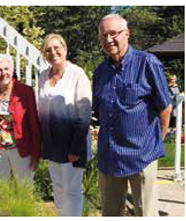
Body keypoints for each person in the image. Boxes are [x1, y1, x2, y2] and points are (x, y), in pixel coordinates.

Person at [92, 14, 172, 216]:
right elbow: (96, 110)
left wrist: (156, 142)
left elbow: (165, 107)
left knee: (146, 214)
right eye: (104, 35)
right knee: (110, 214)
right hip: (109, 157)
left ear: (126, 34)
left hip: (142, 156)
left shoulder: (147, 63)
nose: (109, 39)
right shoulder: (99, 72)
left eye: (113, 34)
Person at [38, 33, 92, 216]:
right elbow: (42, 111)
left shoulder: (77, 74)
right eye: (48, 50)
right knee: (59, 190)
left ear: (65, 49)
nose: (53, 53)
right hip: (52, 145)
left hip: (72, 146)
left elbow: (84, 115)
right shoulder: (43, 76)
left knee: (72, 191)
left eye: (56, 48)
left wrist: (75, 149)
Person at [0, 54, 41, 187]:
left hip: (20, 148)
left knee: (24, 190)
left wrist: (36, 153)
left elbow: (33, 123)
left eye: (6, 69)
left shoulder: (25, 92)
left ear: (12, 70)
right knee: (0, 190)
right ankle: (2, 210)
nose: (3, 73)